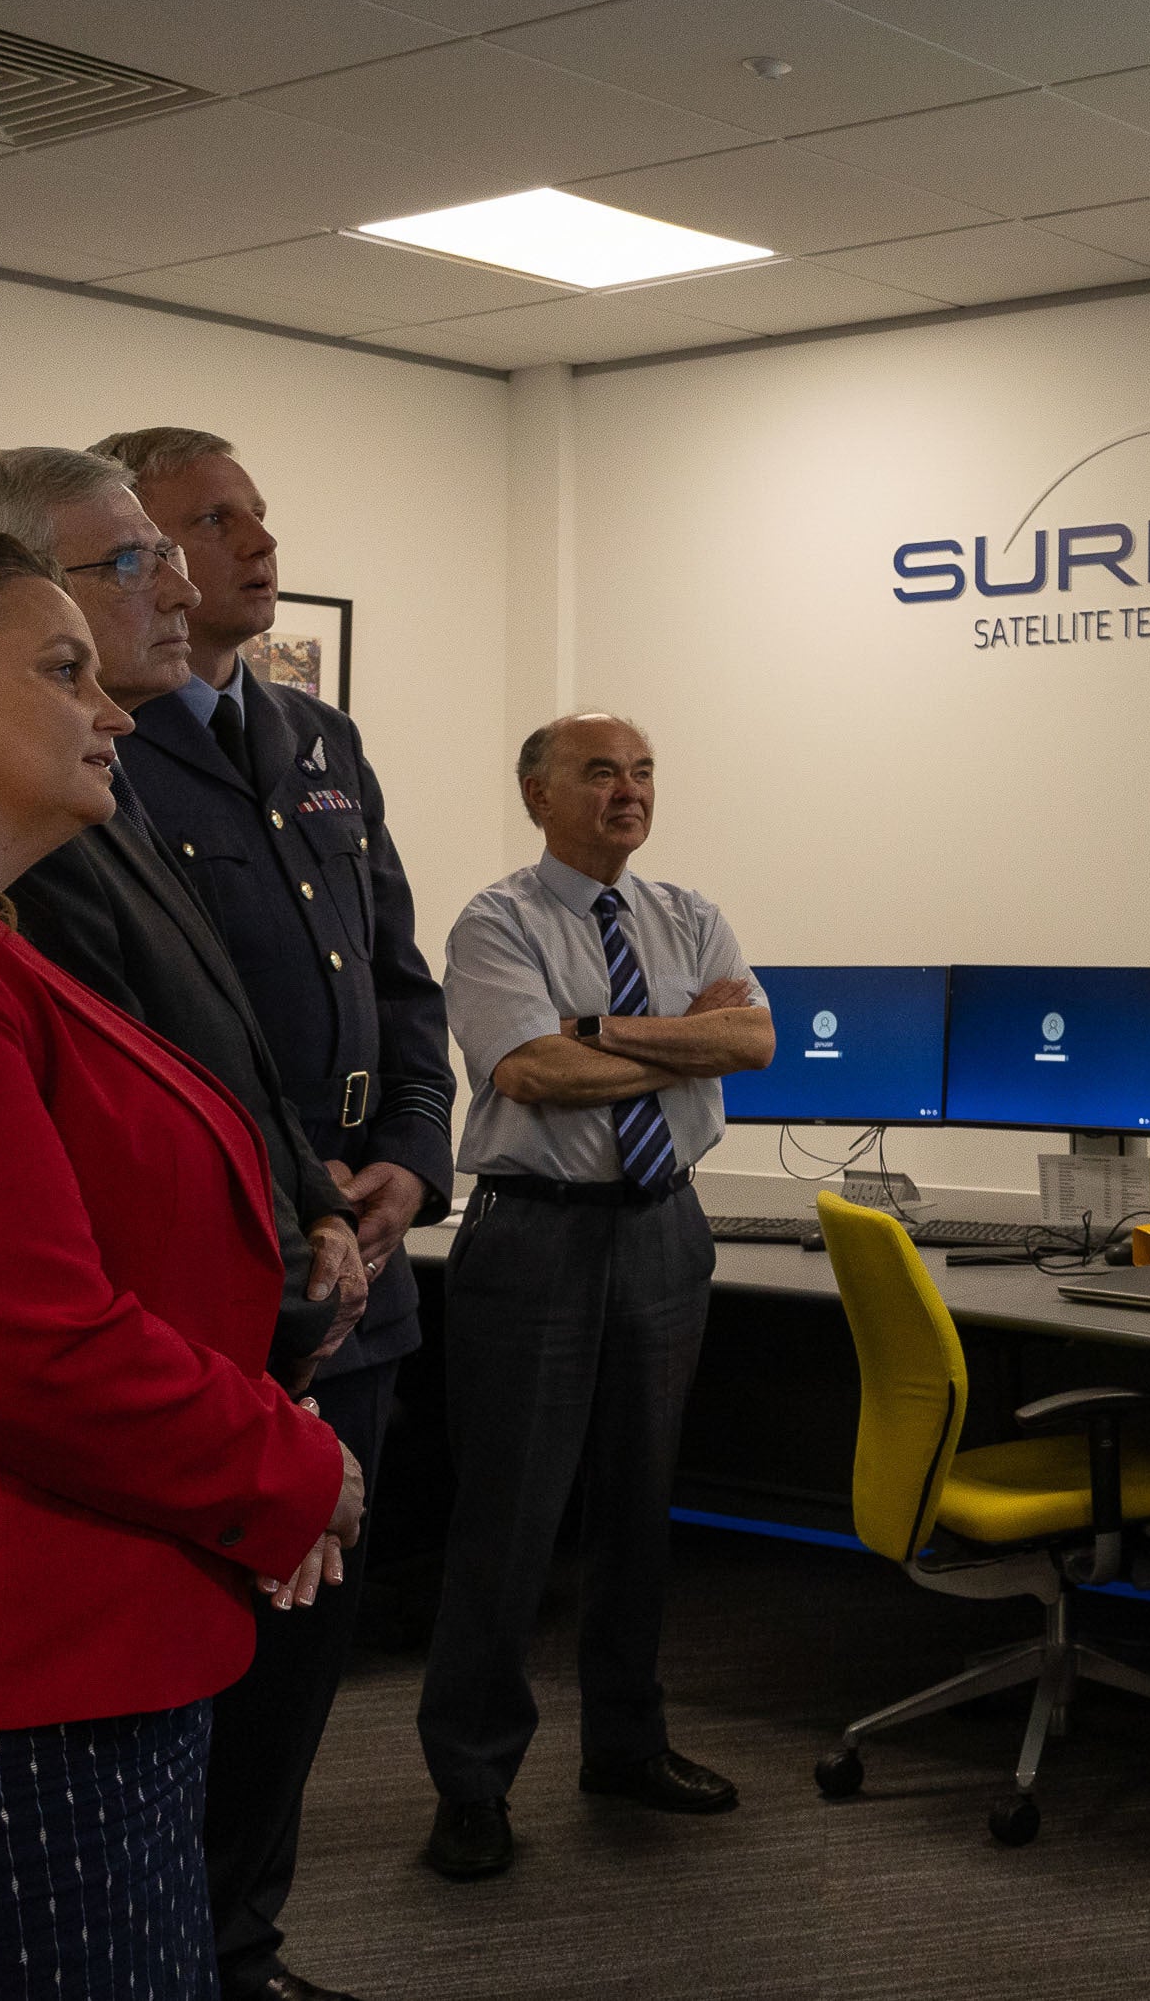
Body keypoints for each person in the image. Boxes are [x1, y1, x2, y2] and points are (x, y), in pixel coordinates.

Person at [0, 534, 359, 1999]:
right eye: (62, 670)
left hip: (59, 1670)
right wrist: (291, 1466)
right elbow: (22, 1341)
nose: (114, 711)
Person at [92, 428, 454, 2001]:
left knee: (307, 1660)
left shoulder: (319, 733)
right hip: (216, 1275)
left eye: (254, 514)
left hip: (363, 1281)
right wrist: (309, 1187)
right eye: (203, 523)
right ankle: (167, 1951)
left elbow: (397, 975)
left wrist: (422, 1156)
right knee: (190, 1653)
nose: (249, 543)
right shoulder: (90, 737)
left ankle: (246, 1944)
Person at [0, 448, 368, 1389]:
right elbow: (128, 1155)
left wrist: (320, 1210)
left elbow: (227, 1045)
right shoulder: (6, 852)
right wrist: (279, 1335)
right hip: (179, 1352)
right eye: (131, 562)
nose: (180, 594)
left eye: (167, 554)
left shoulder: (99, 787)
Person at [418, 713, 772, 1880]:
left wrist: (603, 1028)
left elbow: (756, 1041)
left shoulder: (690, 915)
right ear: (537, 796)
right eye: (599, 773)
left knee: (641, 1515)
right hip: (538, 1242)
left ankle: (626, 1747)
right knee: (508, 1526)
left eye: (643, 772)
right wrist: (683, 1039)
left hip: (665, 1231)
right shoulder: (496, 922)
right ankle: (472, 1784)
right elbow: (531, 1071)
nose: (628, 792)